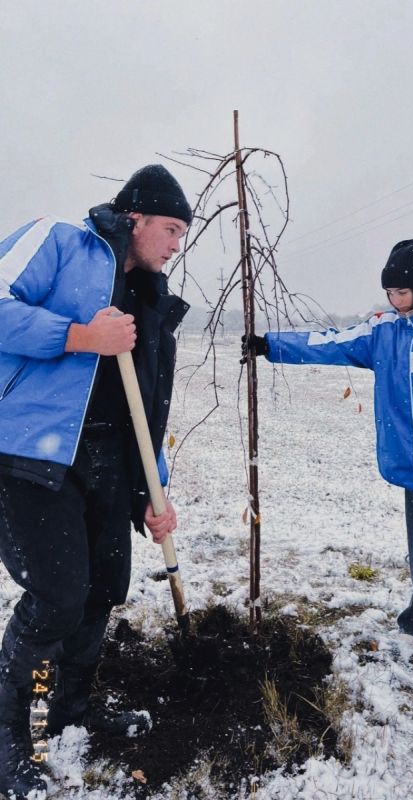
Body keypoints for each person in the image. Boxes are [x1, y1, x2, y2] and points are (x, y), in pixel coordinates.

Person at [0, 164, 192, 797]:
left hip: (111, 461)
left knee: (104, 587)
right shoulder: (59, 240)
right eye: (169, 229)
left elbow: (149, 410)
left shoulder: (154, 299)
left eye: (182, 235)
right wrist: (80, 335)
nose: (174, 245)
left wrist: (154, 493)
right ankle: (7, 734)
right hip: (33, 454)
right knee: (57, 594)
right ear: (134, 217)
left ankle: (69, 707)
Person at [244, 239, 413, 669]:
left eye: (401, 293)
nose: (394, 300)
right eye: (389, 293)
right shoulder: (383, 329)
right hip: (412, 466)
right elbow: (329, 343)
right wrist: (269, 346)